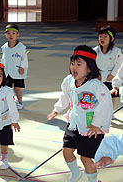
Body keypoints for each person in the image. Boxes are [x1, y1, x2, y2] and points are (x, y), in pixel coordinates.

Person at [47, 45, 113, 182]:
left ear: (89, 68)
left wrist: (96, 124)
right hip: (74, 124)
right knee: (66, 151)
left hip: (91, 129)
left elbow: (106, 105)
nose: (74, 67)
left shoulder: (96, 86)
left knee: (85, 158)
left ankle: (93, 180)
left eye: (79, 64)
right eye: (72, 64)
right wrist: (57, 109)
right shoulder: (69, 81)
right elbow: (65, 96)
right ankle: (76, 173)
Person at [93, 25, 123, 107]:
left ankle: (110, 112)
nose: (102, 39)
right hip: (97, 77)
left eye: (105, 37)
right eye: (100, 36)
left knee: (110, 95)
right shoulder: (94, 51)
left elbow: (119, 64)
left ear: (112, 39)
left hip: (110, 77)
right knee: (97, 94)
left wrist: (113, 74)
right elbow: (92, 64)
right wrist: (96, 74)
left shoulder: (116, 51)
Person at [1, 23, 28, 110]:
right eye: (8, 33)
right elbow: (4, 58)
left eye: (13, 33)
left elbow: (24, 58)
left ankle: (20, 102)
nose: (11, 35)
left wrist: (22, 67)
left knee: (17, 89)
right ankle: (10, 102)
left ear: (17, 35)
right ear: (5, 35)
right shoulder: (4, 47)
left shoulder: (21, 47)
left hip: (17, 72)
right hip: (7, 72)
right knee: (7, 89)